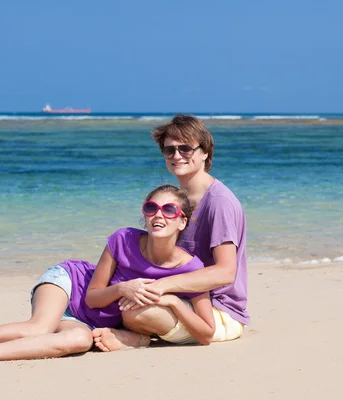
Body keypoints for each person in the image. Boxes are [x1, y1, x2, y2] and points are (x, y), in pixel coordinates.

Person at [0, 184, 215, 366]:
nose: (159, 215)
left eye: (169, 210)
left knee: (77, 341)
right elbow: (92, 296)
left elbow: (205, 333)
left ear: (182, 221)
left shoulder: (191, 268)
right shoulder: (123, 239)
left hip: (91, 322)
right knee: (39, 327)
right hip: (69, 283)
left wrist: (172, 300)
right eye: (151, 208)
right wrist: (125, 288)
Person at [92, 114, 249, 351]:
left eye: (186, 149)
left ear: (205, 152)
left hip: (219, 311)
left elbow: (226, 273)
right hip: (187, 298)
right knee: (128, 300)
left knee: (137, 312)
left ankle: (138, 339)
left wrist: (163, 285)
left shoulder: (219, 202)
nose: (177, 156)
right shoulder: (180, 198)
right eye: (170, 150)